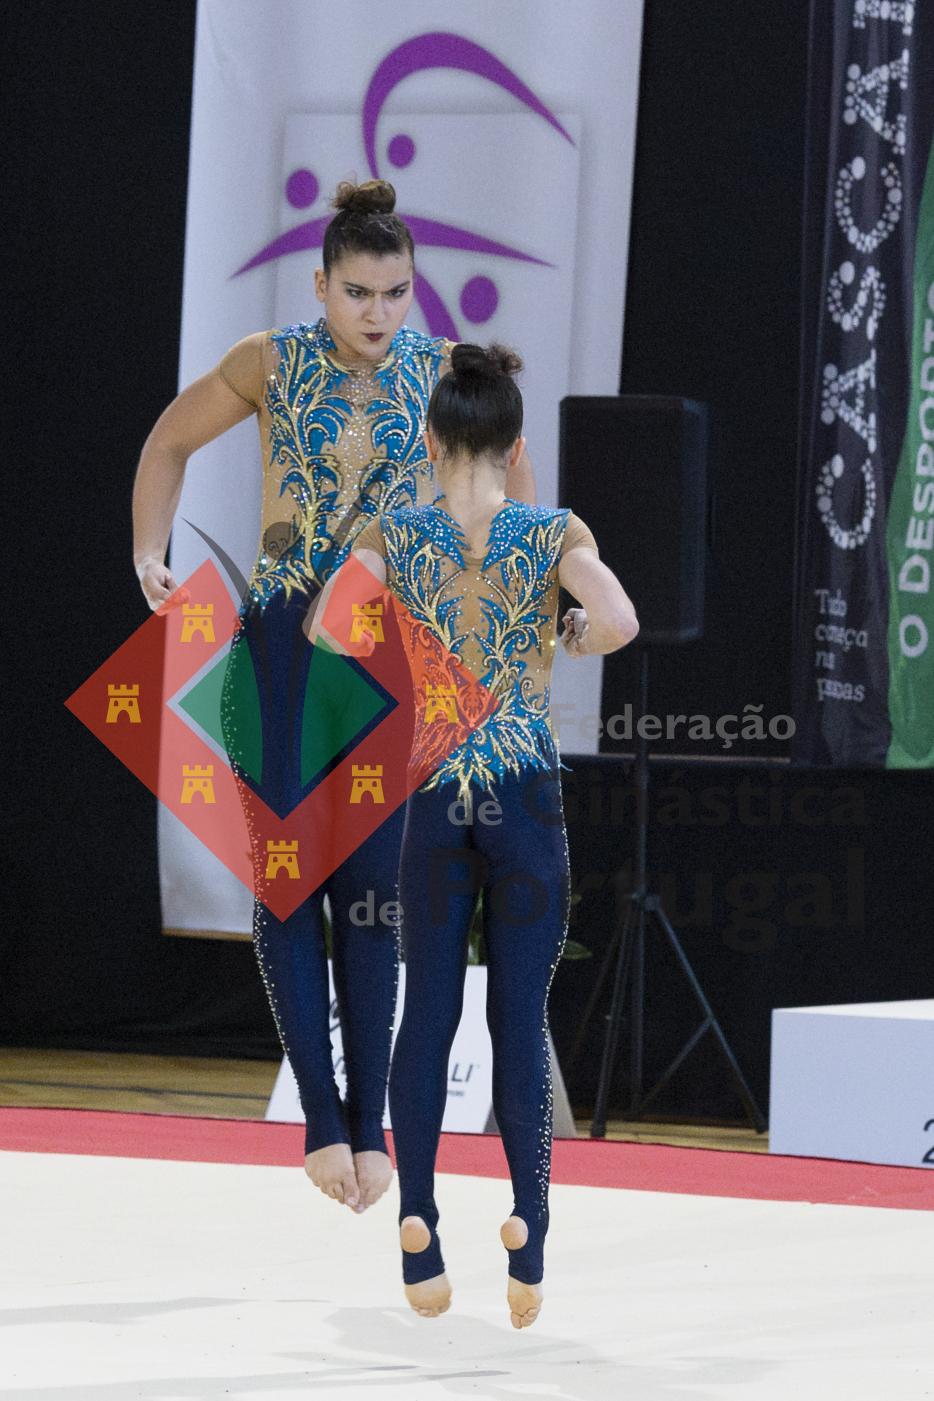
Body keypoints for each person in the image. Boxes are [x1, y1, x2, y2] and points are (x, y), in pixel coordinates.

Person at [132, 181, 537, 1215]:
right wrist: (150, 552)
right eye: (357, 292)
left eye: (395, 292)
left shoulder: (448, 375)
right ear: (320, 284)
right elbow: (169, 442)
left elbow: (516, 512)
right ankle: (321, 1121)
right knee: (285, 882)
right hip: (280, 641)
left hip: (387, 651)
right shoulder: (269, 362)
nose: (377, 313)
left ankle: (370, 1127)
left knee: (370, 897)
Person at [314, 343, 638, 1326]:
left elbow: (329, 627)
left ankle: (416, 1217)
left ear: (431, 437)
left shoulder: (396, 530)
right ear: (511, 442)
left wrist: (401, 655)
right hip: (524, 796)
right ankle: (529, 1232)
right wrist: (568, 634)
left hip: (434, 798)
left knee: (427, 1017)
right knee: (518, 1018)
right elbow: (619, 616)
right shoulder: (548, 531)